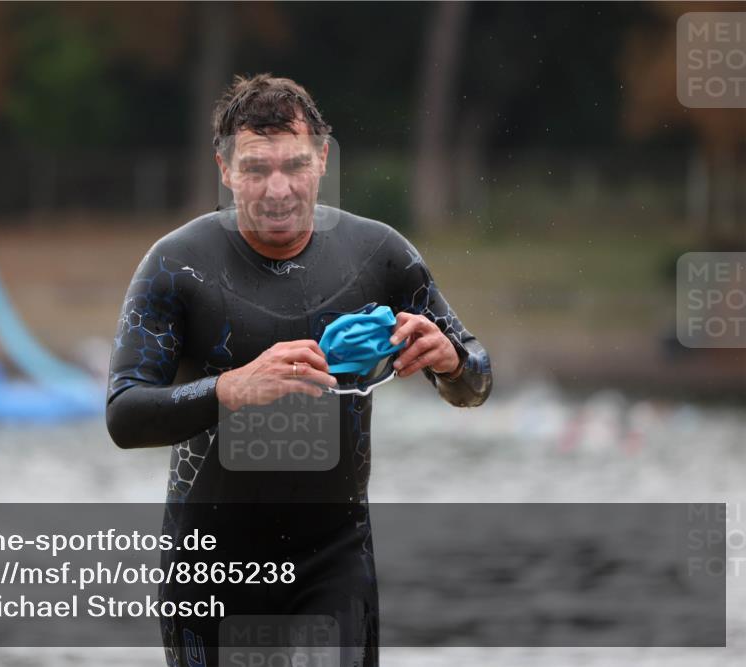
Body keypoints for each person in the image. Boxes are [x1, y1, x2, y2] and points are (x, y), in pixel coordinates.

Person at [106, 73, 492, 667]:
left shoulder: (380, 255)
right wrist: (230, 388)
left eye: (294, 165)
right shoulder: (177, 266)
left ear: (322, 159)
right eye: (256, 170)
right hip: (208, 565)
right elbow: (124, 414)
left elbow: (477, 385)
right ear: (226, 168)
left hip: (332, 561)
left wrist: (452, 362)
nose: (277, 189)